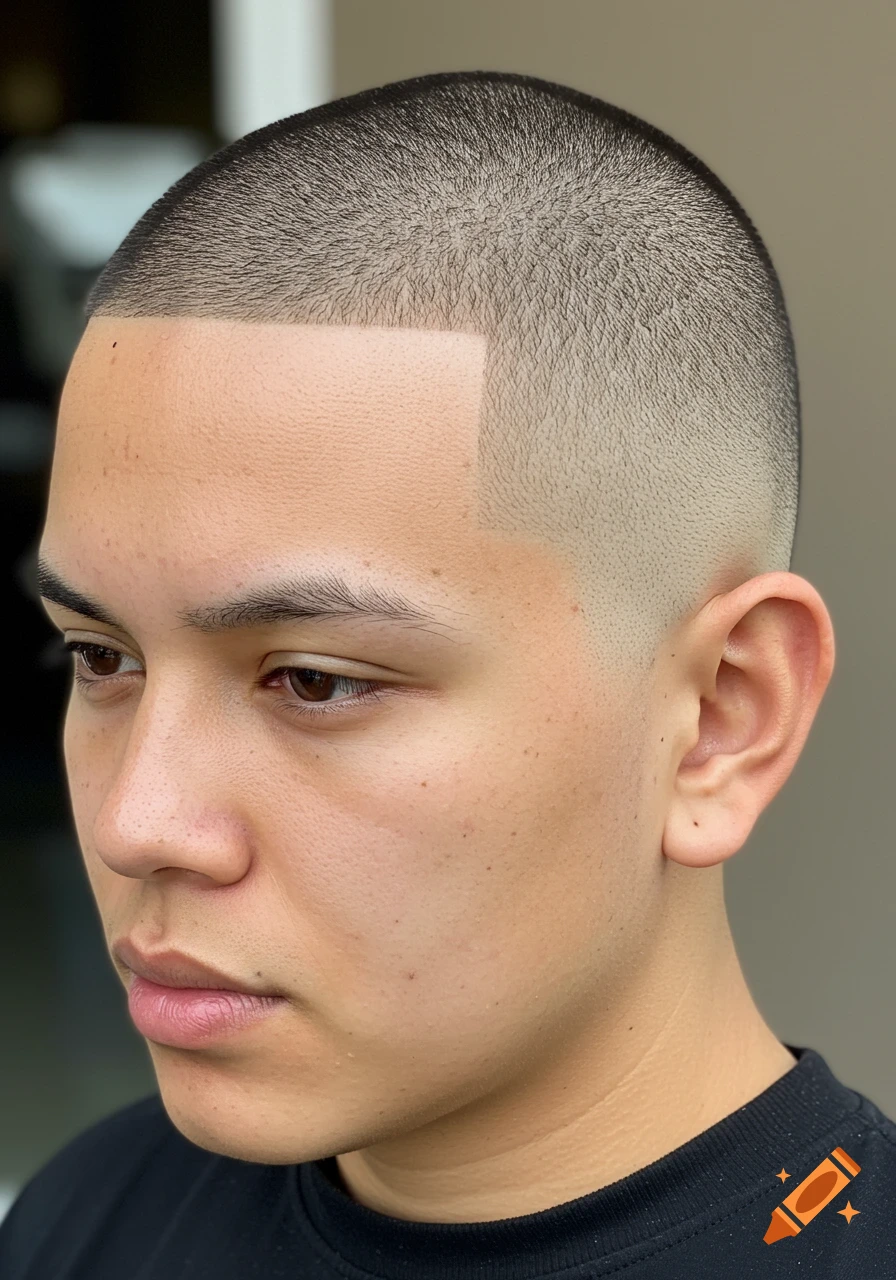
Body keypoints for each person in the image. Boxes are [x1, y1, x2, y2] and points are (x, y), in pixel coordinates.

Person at [2, 70, 894, 1278]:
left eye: (311, 680)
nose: (134, 822)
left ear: (719, 718)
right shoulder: (90, 1219)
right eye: (102, 656)